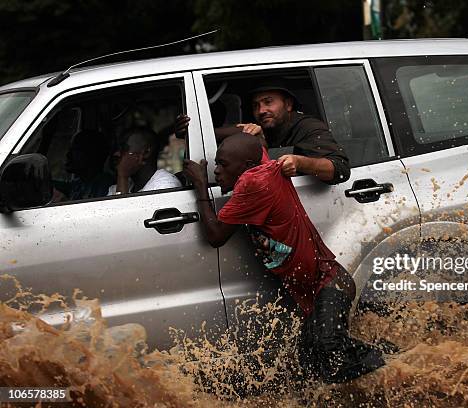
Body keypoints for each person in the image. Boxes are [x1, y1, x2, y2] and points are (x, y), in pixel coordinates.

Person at [182, 133, 384, 383]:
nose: (217, 171)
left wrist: (200, 185)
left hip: (330, 284)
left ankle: (399, 364)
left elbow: (215, 236)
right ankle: (381, 368)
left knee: (332, 356)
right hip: (316, 292)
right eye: (216, 165)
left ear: (245, 168)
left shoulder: (252, 183)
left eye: (223, 165)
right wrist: (192, 129)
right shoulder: (261, 162)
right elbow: (257, 142)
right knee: (311, 366)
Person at [175, 81, 350, 185]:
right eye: (256, 105)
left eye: (268, 102)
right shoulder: (262, 127)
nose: (261, 110)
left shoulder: (308, 127)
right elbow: (228, 133)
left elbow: (340, 169)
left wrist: (300, 162)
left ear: (288, 104)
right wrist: (188, 131)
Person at [108, 126, 181, 195]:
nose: (117, 154)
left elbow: (123, 208)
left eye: (124, 148)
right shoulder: (117, 187)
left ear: (146, 153)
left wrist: (122, 176)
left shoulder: (166, 185)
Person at [54, 129, 114, 202]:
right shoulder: (78, 184)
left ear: (90, 155)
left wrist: (64, 201)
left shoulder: (104, 185)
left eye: (75, 150)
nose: (68, 154)